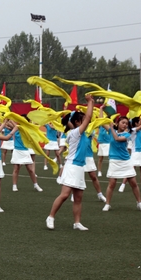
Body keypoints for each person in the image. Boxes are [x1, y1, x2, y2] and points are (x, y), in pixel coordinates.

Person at [45, 94, 95, 231]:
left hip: (79, 168)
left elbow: (89, 118)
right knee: (65, 195)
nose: (87, 122)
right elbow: (89, 117)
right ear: (78, 122)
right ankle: (50, 217)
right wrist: (90, 102)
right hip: (71, 166)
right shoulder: (75, 133)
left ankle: (77, 223)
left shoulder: (82, 134)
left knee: (78, 197)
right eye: (83, 121)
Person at [102, 116, 141, 212]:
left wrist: (111, 128)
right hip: (114, 161)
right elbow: (102, 121)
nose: (125, 125)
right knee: (111, 184)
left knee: (133, 183)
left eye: (126, 123)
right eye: (123, 122)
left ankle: (139, 203)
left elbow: (117, 139)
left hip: (126, 161)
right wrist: (101, 109)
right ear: (118, 123)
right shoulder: (111, 130)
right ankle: (107, 204)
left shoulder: (127, 134)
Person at [9, 115, 43, 193]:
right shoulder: (16, 127)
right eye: (21, 119)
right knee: (16, 169)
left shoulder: (27, 129)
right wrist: (9, 117)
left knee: (30, 170)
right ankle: (14, 185)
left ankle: (36, 185)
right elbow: (11, 123)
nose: (22, 121)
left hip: (25, 151)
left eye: (24, 120)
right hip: (17, 151)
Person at [118, 117, 141, 193]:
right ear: (136, 123)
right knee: (131, 170)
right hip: (135, 152)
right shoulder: (133, 130)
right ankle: (122, 185)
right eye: (139, 121)